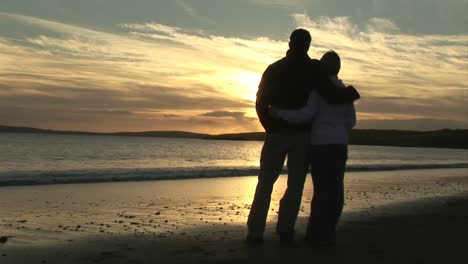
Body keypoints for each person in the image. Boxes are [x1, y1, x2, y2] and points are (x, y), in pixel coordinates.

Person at [247, 29, 360, 245]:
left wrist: (270, 126)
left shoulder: (275, 68)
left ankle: (256, 232)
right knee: (295, 184)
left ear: (290, 43)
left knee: (266, 183)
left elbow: (260, 102)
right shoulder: (314, 69)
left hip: (280, 134)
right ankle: (285, 230)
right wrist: (351, 94)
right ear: (308, 45)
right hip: (301, 136)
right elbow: (331, 94)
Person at [270, 50, 356, 246]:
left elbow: (305, 115)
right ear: (339, 68)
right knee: (335, 191)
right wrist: (337, 129)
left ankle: (316, 234)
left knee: (321, 192)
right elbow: (351, 122)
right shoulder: (346, 92)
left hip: (320, 146)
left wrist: (279, 113)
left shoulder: (318, 92)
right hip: (339, 145)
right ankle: (328, 233)